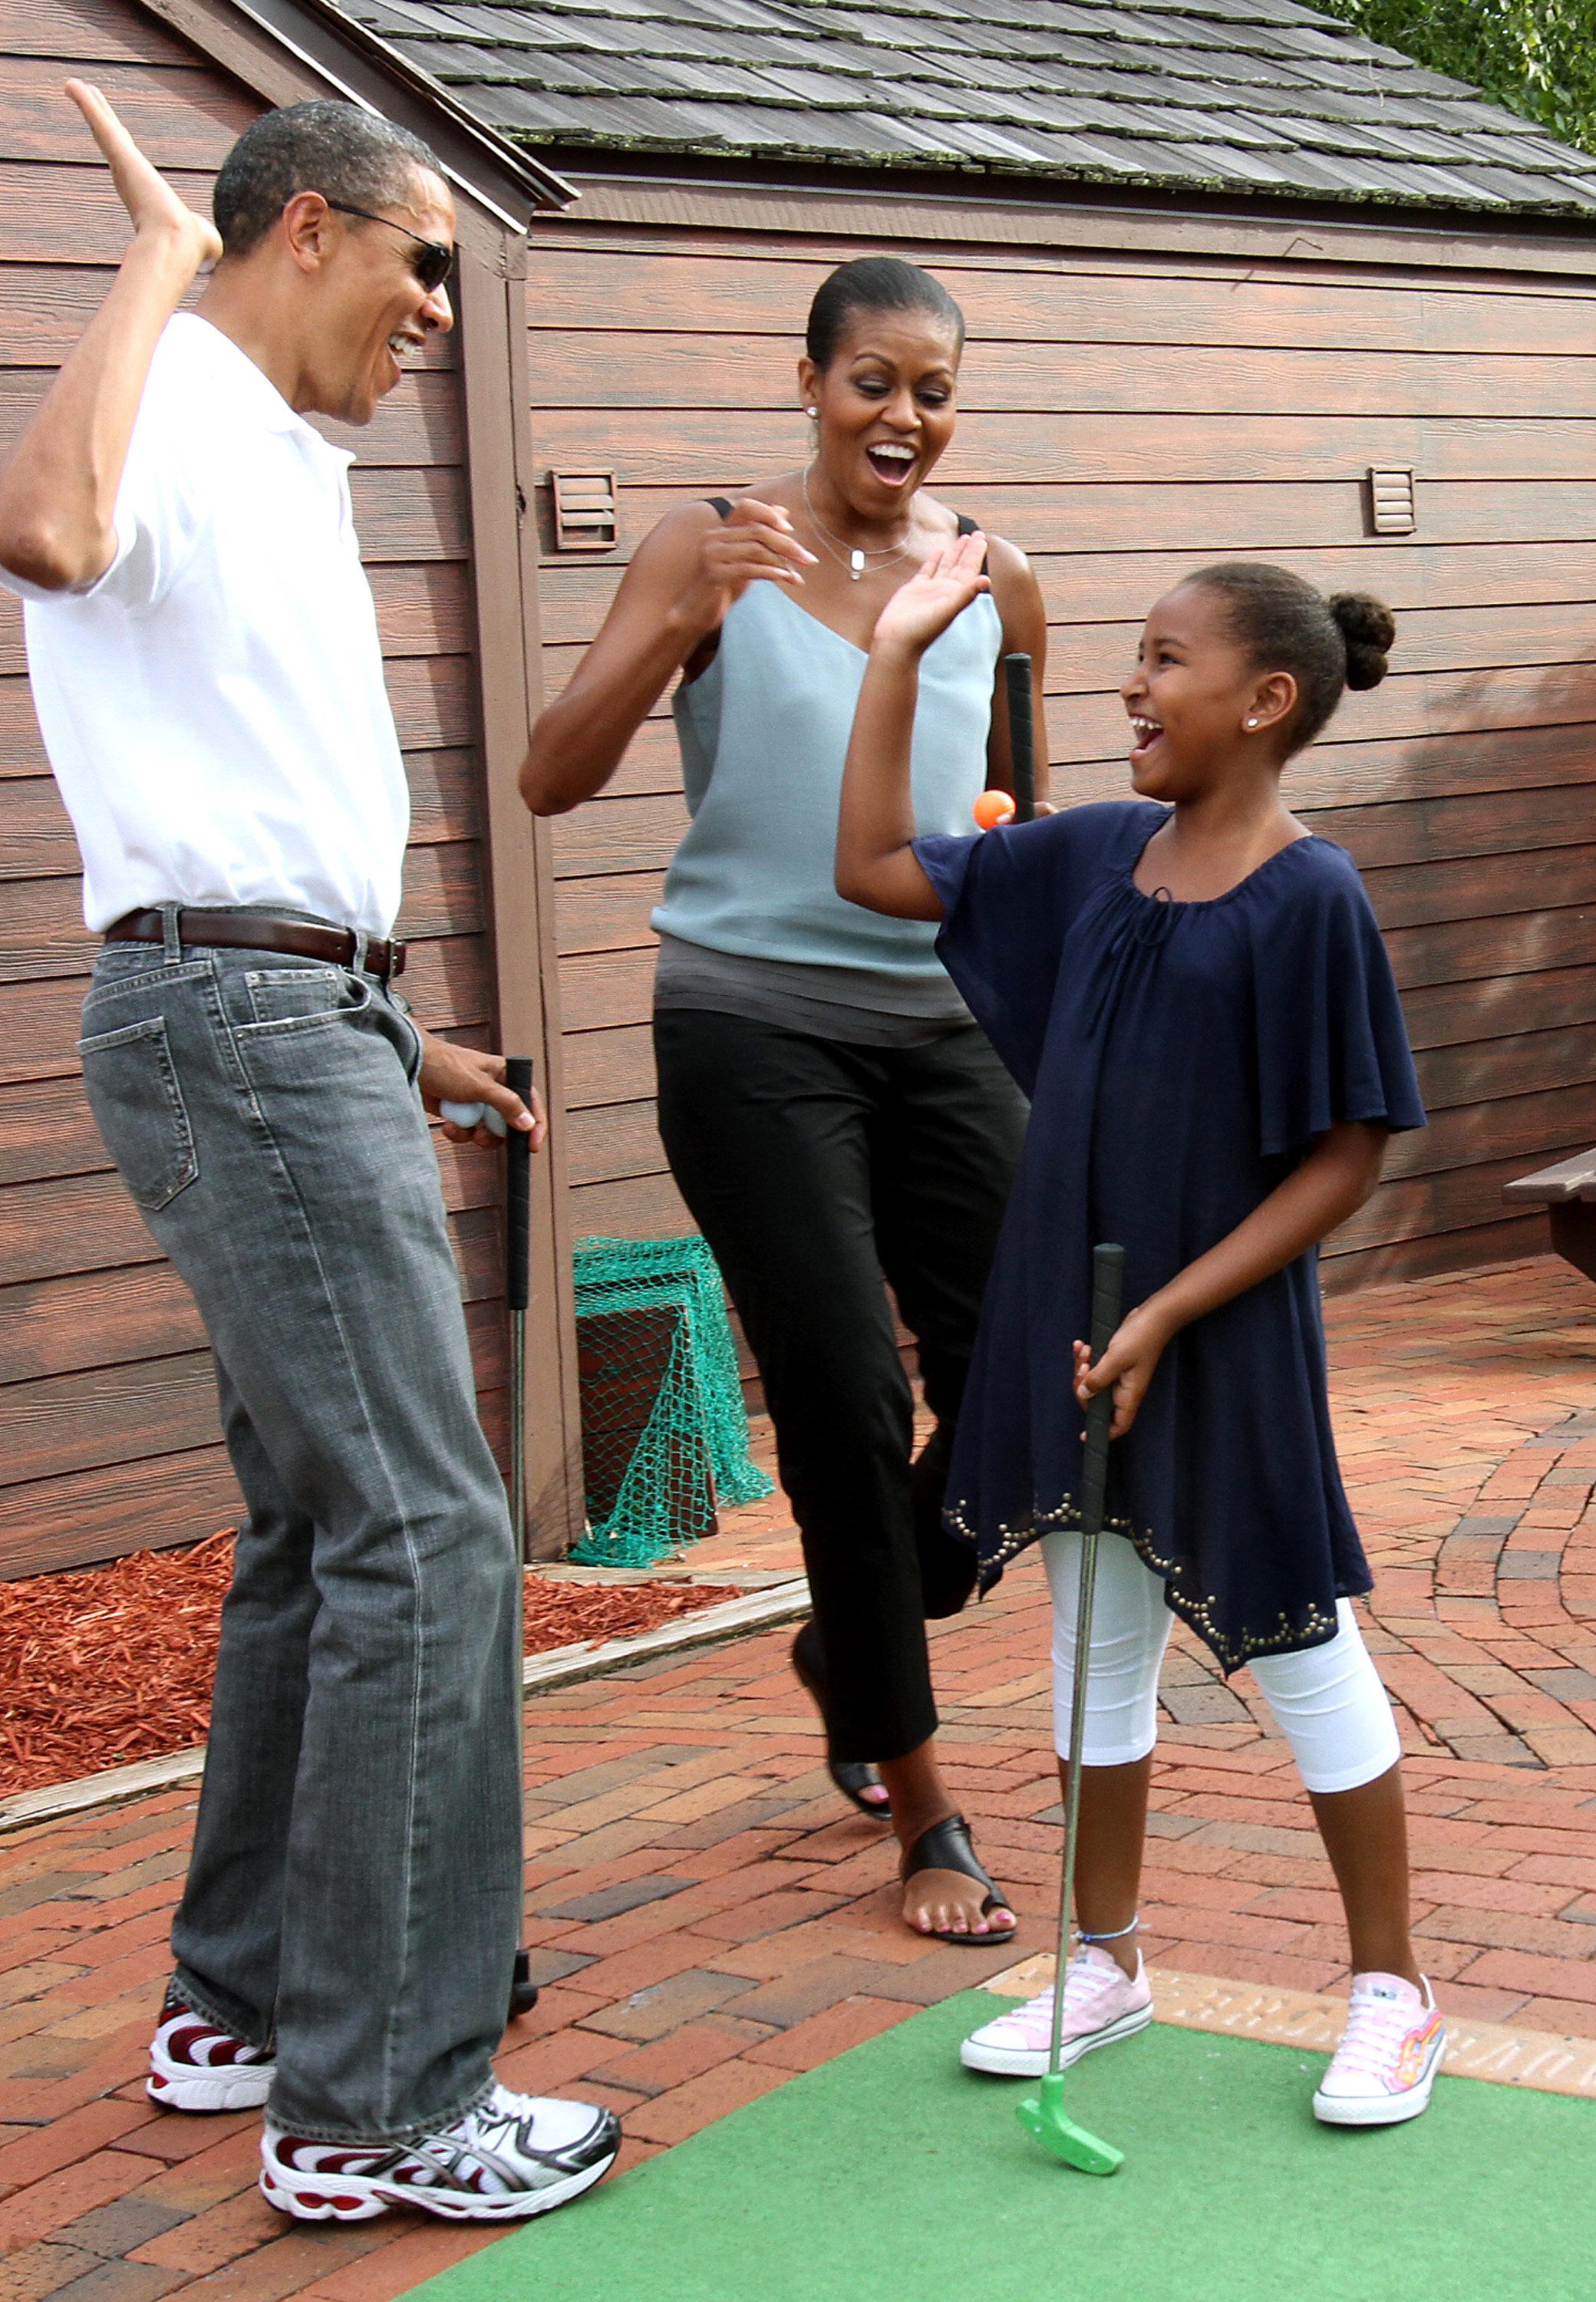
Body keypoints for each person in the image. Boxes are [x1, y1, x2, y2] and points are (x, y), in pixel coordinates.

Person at [0, 86, 619, 2220]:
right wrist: (158, 259)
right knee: (432, 1538)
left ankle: (244, 2001)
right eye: (424, 258)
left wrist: (383, 1021)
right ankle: (385, 2103)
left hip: (291, 1010)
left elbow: (228, 776)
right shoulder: (163, 399)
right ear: (312, 231)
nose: (443, 302)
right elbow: (41, 539)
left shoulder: (274, 453)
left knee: (316, 1529)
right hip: (242, 1024)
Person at [836, 543, 1448, 2126]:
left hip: (1217, 1336)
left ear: (1263, 700)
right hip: (1072, 1325)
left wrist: (1175, 1306)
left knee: (1303, 1647)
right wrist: (898, 653)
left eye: (1166, 660)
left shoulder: (1310, 894)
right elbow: (870, 872)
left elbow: (1347, 1154)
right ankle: (1102, 1964)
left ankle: (1393, 1991)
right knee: (1091, 1652)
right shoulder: (1103, 852)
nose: (1131, 683)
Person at [520, 258, 1045, 1944]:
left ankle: (851, 1630)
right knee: (835, 1399)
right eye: (871, 382)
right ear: (809, 379)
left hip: (943, 1030)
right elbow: (552, 773)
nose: (903, 417)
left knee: (1036, 1394)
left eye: (933, 391)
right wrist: (680, 622)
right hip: (750, 1030)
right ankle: (925, 1808)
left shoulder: (997, 582)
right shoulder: (709, 548)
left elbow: (1014, 827)